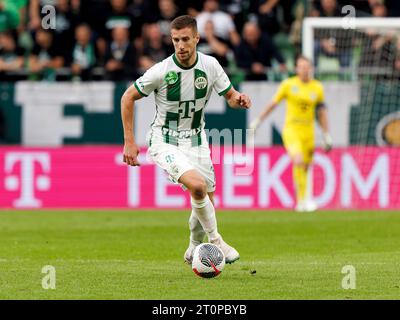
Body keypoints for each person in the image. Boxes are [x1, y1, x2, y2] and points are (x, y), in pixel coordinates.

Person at [120, 15, 251, 264]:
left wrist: (239, 100)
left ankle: (193, 248)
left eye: (185, 40)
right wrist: (129, 140)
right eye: (175, 40)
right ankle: (217, 242)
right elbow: (127, 97)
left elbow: (231, 97)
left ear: (197, 39)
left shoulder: (210, 66)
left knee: (206, 202)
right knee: (198, 186)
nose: (180, 45)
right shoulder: (161, 71)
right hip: (165, 140)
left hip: (197, 139)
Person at [249, 56, 332, 212]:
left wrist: (326, 134)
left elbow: (322, 112)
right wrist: (258, 121)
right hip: (292, 129)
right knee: (298, 160)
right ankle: (302, 202)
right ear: (296, 68)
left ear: (311, 69)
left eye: (307, 67)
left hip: (309, 131)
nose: (304, 70)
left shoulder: (317, 88)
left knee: (306, 166)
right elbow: (273, 104)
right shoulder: (288, 85)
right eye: (301, 67)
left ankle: (304, 198)